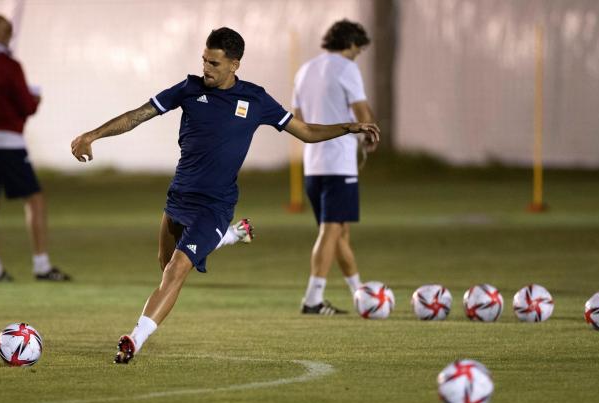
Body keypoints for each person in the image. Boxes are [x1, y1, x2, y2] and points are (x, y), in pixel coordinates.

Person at [71, 27, 379, 364]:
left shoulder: (256, 100)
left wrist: (347, 127)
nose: (206, 68)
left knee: (176, 270)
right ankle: (230, 236)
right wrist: (92, 135)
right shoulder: (188, 89)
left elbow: (305, 131)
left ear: (234, 64)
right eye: (204, 60)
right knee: (165, 263)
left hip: (215, 205)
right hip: (179, 197)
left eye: (214, 63)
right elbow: (137, 115)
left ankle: (134, 339)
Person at [0, 15, 70, 282]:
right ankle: (41, 265)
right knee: (34, 200)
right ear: (7, 34)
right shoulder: (10, 65)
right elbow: (25, 105)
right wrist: (35, 100)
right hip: (7, 141)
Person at [292, 19, 376, 315]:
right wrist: (370, 136)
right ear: (351, 44)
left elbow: (298, 118)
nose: (358, 55)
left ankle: (360, 294)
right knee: (331, 231)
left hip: (313, 164)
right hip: (339, 163)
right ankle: (312, 299)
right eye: (359, 49)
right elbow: (363, 114)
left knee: (338, 233)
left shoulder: (305, 70)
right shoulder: (346, 68)